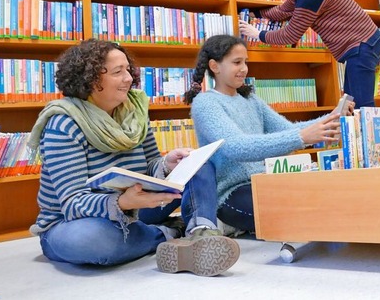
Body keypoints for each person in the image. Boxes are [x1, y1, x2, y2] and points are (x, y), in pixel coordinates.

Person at [28, 39, 239, 276]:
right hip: (75, 222)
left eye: (128, 69)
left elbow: (148, 167)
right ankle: (170, 234)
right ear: (90, 78)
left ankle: (202, 232)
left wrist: (166, 165)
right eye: (118, 72)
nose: (129, 78)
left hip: (138, 206)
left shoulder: (135, 112)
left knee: (198, 162)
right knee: (89, 240)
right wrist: (122, 203)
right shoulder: (64, 123)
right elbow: (72, 204)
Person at [184, 35, 342, 233]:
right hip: (232, 193)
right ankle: (222, 224)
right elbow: (236, 146)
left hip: (266, 181)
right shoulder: (205, 104)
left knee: (320, 200)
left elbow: (289, 130)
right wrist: (302, 136)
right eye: (237, 62)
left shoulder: (250, 100)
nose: (244, 69)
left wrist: (333, 118)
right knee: (297, 215)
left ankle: (234, 228)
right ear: (215, 66)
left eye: (245, 62)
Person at [238, 0, 380, 108]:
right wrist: (256, 14)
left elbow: (290, 35)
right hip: (362, 44)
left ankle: (369, 132)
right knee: (351, 103)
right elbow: (283, 11)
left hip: (363, 44)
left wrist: (258, 34)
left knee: (362, 106)